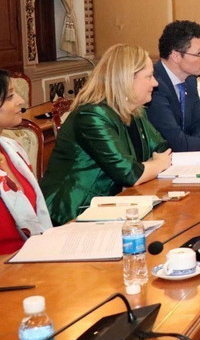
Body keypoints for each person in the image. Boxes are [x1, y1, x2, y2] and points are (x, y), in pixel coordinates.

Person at [41, 45, 173, 226]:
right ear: (126, 80)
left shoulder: (135, 111)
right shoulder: (91, 116)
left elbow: (162, 149)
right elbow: (129, 174)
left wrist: (151, 165)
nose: (156, 83)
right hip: (73, 213)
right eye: (149, 77)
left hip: (112, 206)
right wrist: (156, 164)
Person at [0, 67, 53, 270]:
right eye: (10, 96)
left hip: (35, 261)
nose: (20, 100)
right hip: (3, 279)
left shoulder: (12, 151)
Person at [146, 20, 200, 152]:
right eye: (199, 53)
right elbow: (175, 142)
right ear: (176, 56)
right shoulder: (154, 85)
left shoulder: (190, 80)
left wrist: (195, 142)